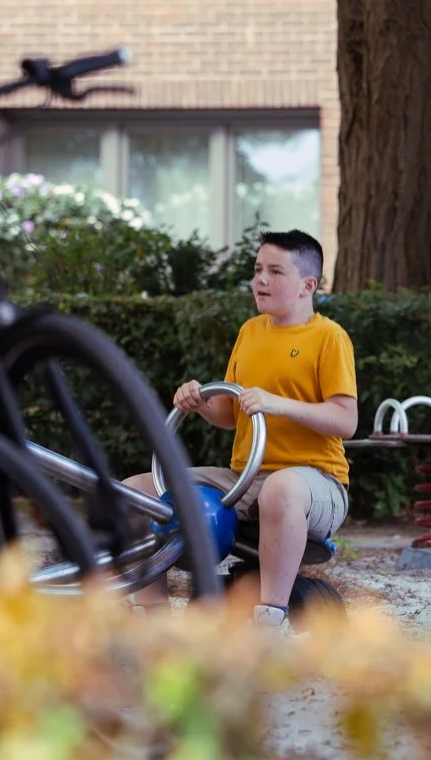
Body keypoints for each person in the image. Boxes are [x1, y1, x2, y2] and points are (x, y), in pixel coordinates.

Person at [128, 229, 357, 630]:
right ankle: (153, 617)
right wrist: (199, 402)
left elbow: (346, 420)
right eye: (257, 270)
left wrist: (275, 402)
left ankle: (272, 619)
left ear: (308, 285)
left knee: (281, 489)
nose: (261, 280)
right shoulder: (251, 332)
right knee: (135, 492)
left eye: (275, 272)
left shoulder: (329, 337)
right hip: (245, 478)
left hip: (315, 482)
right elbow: (231, 413)